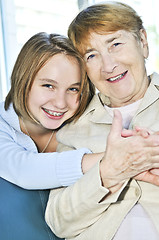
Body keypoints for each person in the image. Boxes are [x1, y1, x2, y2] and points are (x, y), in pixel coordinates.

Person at [45, 2, 159, 240]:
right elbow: (58, 221)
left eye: (115, 44)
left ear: (143, 42)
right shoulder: (72, 130)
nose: (108, 66)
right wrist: (108, 172)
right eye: (91, 55)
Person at [0, 31, 105, 240]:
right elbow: (22, 169)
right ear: (24, 80)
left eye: (73, 89)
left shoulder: (87, 125)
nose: (60, 103)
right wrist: (112, 161)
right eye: (48, 85)